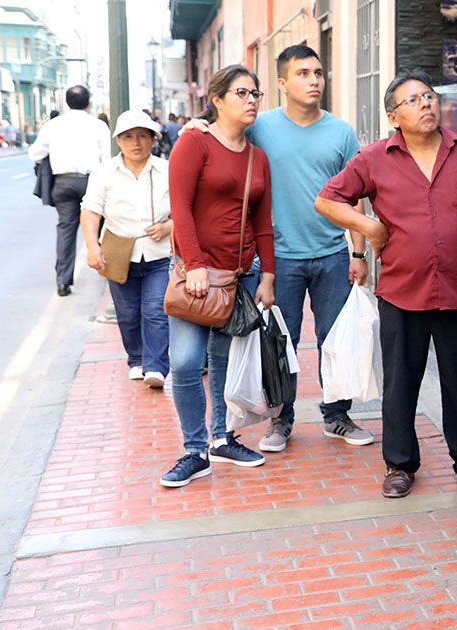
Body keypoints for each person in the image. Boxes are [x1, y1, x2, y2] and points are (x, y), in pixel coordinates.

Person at [315, 69, 457, 499]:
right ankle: (399, 464)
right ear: (393, 115)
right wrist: (366, 226)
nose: (426, 104)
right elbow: (327, 199)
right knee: (401, 383)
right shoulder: (374, 158)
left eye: (429, 96)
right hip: (402, 290)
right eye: (414, 100)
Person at [182, 44, 372, 450]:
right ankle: (280, 420)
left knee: (333, 340)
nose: (314, 81)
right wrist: (193, 127)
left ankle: (336, 415)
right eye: (303, 74)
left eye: (318, 73)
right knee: (277, 342)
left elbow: (355, 198)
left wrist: (358, 253)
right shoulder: (259, 125)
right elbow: (220, 133)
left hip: (331, 253)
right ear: (282, 83)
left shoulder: (340, 131)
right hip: (278, 258)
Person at [160, 64, 276, 488]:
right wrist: (194, 265)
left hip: (241, 275)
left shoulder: (257, 157)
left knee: (224, 361)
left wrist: (268, 276)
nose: (250, 101)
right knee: (186, 362)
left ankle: (221, 438)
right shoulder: (194, 143)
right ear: (218, 100)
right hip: (198, 276)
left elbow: (263, 222)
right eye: (242, 93)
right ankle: (194, 450)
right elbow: (181, 208)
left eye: (255, 94)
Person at [78, 110, 173, 388]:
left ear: (153, 140)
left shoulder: (166, 169)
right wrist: (92, 247)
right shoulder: (104, 172)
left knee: (155, 309)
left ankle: (156, 367)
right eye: (129, 137)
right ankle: (137, 360)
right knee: (128, 312)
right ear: (118, 140)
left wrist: (170, 227)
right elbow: (91, 210)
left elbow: (185, 207)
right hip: (118, 250)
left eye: (143, 136)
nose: (136, 143)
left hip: (159, 252)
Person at [28, 86, 111, 297]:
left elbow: (35, 153)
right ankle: (107, 271)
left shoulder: (53, 125)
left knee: (66, 229)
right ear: (88, 102)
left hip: (63, 184)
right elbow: (108, 158)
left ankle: (63, 282)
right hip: (91, 182)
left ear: (67, 102)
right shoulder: (98, 125)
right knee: (100, 225)